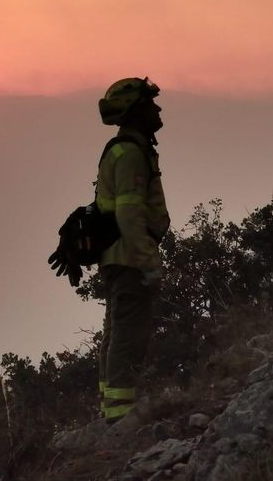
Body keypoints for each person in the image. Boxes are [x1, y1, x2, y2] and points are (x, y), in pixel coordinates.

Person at [95, 77, 170, 422]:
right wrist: (148, 262)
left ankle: (110, 408)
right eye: (150, 104)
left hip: (118, 257)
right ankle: (119, 414)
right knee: (128, 336)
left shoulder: (128, 148)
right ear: (135, 109)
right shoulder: (130, 153)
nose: (157, 110)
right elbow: (129, 213)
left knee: (117, 332)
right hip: (128, 260)